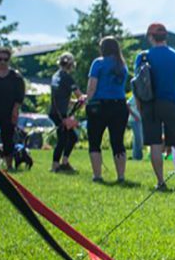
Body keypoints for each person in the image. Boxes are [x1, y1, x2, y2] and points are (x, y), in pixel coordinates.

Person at [136, 22, 175, 191]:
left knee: (155, 144)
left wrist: (140, 107)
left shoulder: (142, 57)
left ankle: (161, 182)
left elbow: (138, 85)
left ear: (150, 37)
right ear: (165, 37)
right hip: (171, 104)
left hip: (150, 104)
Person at [86, 37, 131, 183]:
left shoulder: (98, 63)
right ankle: (121, 176)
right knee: (118, 142)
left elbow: (92, 86)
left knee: (95, 141)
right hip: (119, 105)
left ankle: (97, 175)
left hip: (99, 105)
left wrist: (87, 100)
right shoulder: (122, 65)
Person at [0, 46, 26, 168]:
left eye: (5, 59)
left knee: (8, 139)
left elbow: (20, 95)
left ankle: (9, 166)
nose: (2, 62)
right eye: (0, 59)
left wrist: (15, 110)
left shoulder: (15, 77)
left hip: (8, 112)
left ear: (9, 60)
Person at [49, 53, 83, 173]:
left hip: (54, 111)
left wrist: (71, 102)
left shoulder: (56, 76)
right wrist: (88, 97)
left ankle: (63, 162)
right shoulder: (67, 78)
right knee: (64, 138)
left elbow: (60, 96)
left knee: (70, 137)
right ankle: (56, 165)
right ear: (71, 64)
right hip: (60, 113)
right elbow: (80, 96)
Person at [127, 93, 144, 160]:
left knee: (139, 138)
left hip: (140, 120)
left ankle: (136, 155)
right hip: (134, 120)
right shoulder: (135, 96)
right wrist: (134, 115)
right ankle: (137, 156)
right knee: (138, 138)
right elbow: (127, 104)